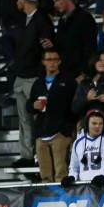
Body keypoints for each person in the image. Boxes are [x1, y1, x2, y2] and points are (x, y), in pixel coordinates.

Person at [11, 0, 54, 169]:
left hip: (33, 78)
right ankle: (27, 154)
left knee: (36, 117)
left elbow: (47, 48)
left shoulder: (41, 20)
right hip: (21, 76)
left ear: (24, 0)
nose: (17, 3)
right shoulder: (27, 20)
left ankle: (39, 155)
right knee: (24, 118)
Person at [29, 48, 77, 183]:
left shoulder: (68, 81)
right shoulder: (38, 83)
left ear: (59, 61)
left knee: (61, 174)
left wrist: (66, 130)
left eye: (55, 60)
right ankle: (48, 202)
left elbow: (75, 106)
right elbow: (29, 104)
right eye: (49, 60)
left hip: (60, 134)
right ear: (43, 62)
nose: (52, 63)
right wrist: (33, 105)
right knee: (45, 177)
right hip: (41, 134)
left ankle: (62, 201)